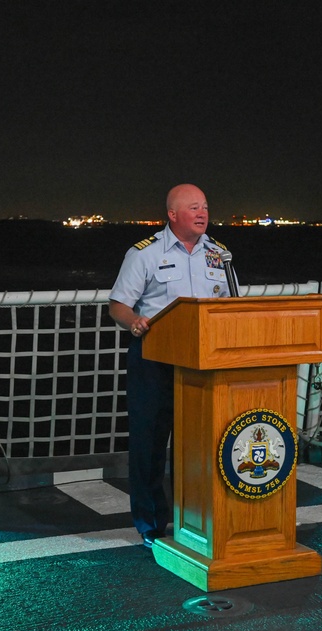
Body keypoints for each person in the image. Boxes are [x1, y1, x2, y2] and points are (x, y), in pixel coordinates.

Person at [109, 183, 234, 548]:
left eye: (205, 207)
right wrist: (133, 322)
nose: (202, 213)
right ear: (173, 215)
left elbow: (231, 305)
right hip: (155, 361)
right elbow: (118, 304)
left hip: (203, 363)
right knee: (149, 443)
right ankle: (150, 523)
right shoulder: (145, 254)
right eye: (194, 207)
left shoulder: (220, 255)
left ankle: (193, 516)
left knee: (198, 444)